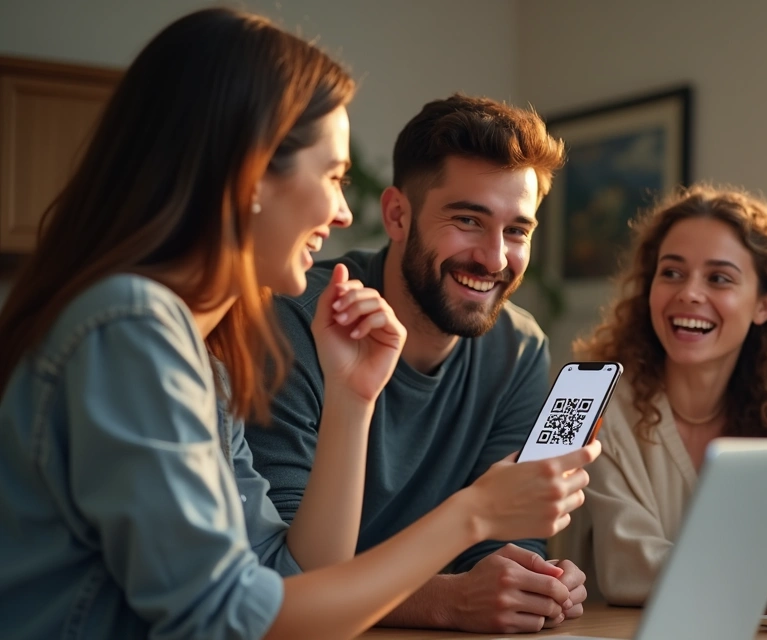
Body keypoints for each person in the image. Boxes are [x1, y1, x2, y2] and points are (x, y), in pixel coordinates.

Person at [0, 9, 596, 639]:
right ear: (250, 176)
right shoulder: (130, 329)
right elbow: (230, 619)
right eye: (333, 177)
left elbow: (292, 580)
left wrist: (351, 400)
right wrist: (470, 516)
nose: (343, 214)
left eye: (517, 230)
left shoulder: (202, 358)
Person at [245, 94, 588, 634]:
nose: (494, 258)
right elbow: (282, 574)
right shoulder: (298, 320)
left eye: (517, 231)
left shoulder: (519, 347)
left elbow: (501, 537)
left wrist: (528, 581)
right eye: (468, 220)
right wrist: (444, 600)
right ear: (397, 215)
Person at [566, 184, 767, 605]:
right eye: (671, 273)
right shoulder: (597, 401)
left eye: (719, 279)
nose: (689, 293)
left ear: (765, 305)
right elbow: (629, 570)